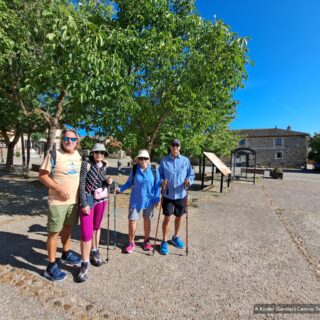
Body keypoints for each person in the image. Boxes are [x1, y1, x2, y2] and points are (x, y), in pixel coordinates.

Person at [39, 128, 82, 281]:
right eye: (66, 139)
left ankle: (66, 252)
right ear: (62, 139)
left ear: (77, 141)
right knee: (54, 233)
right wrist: (58, 188)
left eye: (72, 139)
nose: (69, 141)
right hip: (57, 202)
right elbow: (42, 176)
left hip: (73, 202)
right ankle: (50, 267)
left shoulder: (79, 155)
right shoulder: (53, 153)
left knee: (67, 228)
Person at [77, 143, 113, 282]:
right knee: (86, 233)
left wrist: (107, 181)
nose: (99, 154)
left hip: (101, 199)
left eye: (102, 153)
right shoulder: (86, 164)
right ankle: (84, 264)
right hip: (88, 198)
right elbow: (81, 184)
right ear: (92, 153)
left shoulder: (103, 166)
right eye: (97, 152)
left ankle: (94, 251)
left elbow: (101, 182)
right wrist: (84, 202)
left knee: (97, 227)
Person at [118, 149, 160, 253]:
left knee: (147, 220)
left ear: (149, 159)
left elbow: (157, 186)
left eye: (145, 158)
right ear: (138, 160)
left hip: (149, 200)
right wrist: (120, 189)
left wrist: (157, 199)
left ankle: (146, 240)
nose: (143, 160)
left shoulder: (154, 169)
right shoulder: (135, 168)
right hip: (135, 199)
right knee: (132, 220)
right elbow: (129, 183)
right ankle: (131, 242)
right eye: (141, 158)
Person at [158, 139, 195, 255]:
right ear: (170, 147)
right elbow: (159, 176)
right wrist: (161, 182)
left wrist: (189, 181)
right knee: (167, 218)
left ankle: (175, 237)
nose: (175, 147)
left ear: (180, 147)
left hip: (181, 194)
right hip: (168, 194)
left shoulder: (185, 160)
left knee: (179, 217)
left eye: (177, 145)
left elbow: (191, 174)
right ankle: (164, 241)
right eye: (173, 145)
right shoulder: (164, 161)